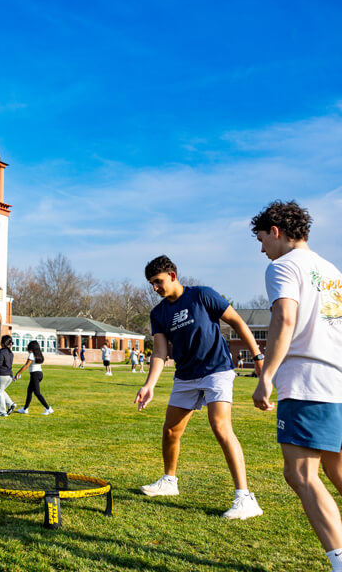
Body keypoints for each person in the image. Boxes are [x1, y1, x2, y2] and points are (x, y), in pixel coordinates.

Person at [134, 255, 264, 520]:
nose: (155, 288)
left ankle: (245, 498)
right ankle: (169, 482)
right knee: (171, 430)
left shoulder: (202, 295)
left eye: (158, 282)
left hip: (217, 370)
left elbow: (237, 322)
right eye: (151, 284)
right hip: (185, 375)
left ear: (172, 275)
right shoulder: (158, 313)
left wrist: (258, 357)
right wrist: (150, 385)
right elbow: (159, 352)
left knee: (220, 426)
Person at [250, 200, 342, 572]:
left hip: (307, 383)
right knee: (336, 469)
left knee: (301, 474)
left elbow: (285, 319)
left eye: (261, 240)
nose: (261, 250)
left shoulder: (283, 266)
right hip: (336, 381)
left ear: (276, 231)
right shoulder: (331, 269)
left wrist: (266, 375)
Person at [15, 340, 53, 415]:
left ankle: (48, 408)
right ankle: (25, 409)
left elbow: (26, 366)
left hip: (35, 375)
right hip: (39, 374)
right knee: (29, 391)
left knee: (37, 393)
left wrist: (18, 373)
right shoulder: (38, 354)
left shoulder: (32, 355)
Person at [0, 335, 16, 417]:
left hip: (1, 375)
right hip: (9, 375)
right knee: (1, 391)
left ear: (2, 343)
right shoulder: (11, 353)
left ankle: (2, 412)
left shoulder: (2, 352)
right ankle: (11, 404)